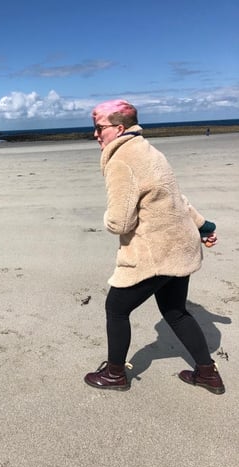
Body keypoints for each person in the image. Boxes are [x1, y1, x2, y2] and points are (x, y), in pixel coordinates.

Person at [84, 99, 225, 395]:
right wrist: (203, 226)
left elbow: (120, 223)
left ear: (118, 128)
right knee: (175, 310)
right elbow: (176, 198)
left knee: (116, 308)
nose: (95, 134)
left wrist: (106, 218)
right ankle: (207, 373)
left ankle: (115, 374)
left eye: (99, 128)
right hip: (180, 246)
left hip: (155, 253)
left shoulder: (121, 159)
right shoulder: (150, 151)